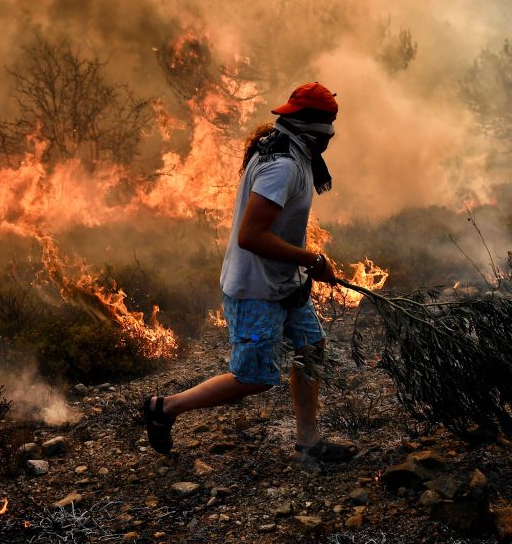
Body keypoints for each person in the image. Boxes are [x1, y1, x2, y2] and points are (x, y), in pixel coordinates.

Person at [142, 82, 357, 462]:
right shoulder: (283, 165)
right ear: (312, 124)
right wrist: (313, 260)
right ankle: (165, 408)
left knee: (311, 348)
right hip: (256, 286)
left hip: (283, 280)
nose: (333, 134)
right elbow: (250, 236)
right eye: (330, 124)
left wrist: (302, 266)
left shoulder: (291, 148)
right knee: (255, 378)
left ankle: (309, 442)